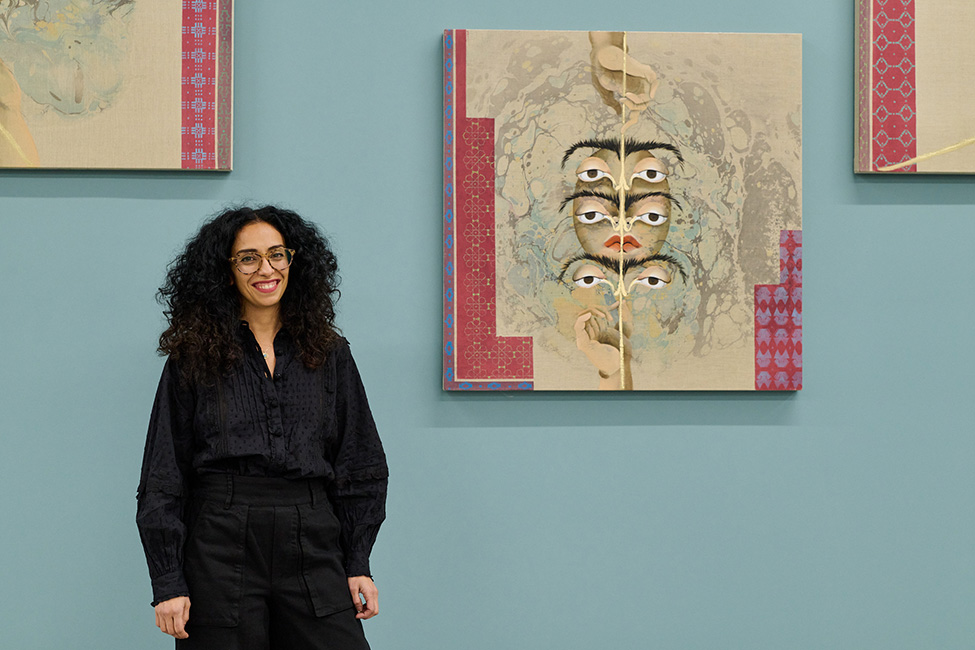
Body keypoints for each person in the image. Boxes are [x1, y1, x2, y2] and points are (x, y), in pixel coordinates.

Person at [136, 205, 388, 649]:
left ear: (295, 261)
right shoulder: (193, 356)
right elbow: (163, 473)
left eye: (277, 254)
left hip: (312, 535)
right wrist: (168, 581)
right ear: (225, 270)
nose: (266, 269)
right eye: (248, 257)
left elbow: (360, 462)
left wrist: (358, 561)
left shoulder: (329, 352)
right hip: (219, 541)